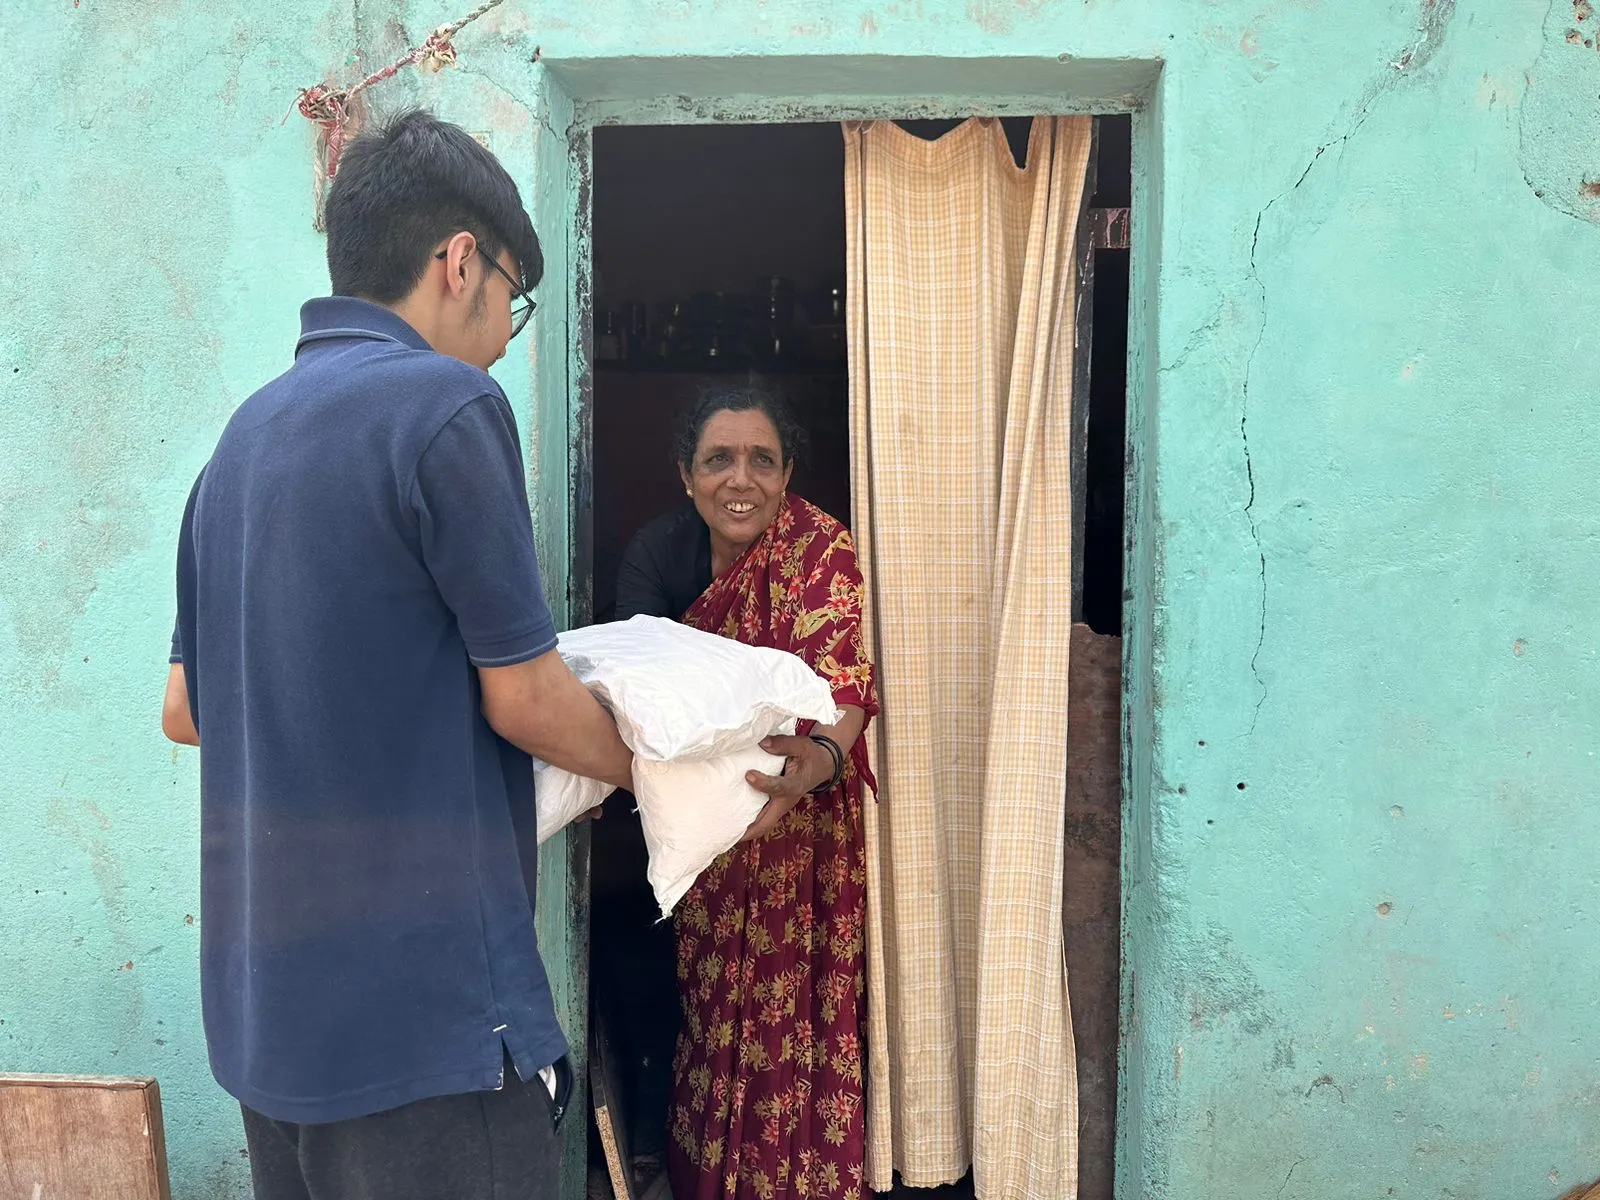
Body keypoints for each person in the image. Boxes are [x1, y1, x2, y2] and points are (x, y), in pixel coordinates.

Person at [161, 109, 631, 1200]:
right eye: (512, 295)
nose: (506, 334)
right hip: (426, 1031)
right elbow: (525, 698)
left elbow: (186, 709)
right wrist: (651, 765)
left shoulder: (239, 442)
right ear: (459, 261)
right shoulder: (445, 405)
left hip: (270, 1027)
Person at [615, 385, 878, 1200]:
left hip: (808, 829)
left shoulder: (821, 551)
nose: (741, 479)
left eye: (763, 460)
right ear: (686, 475)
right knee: (711, 1012)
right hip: (713, 831)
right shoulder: (658, 556)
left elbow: (848, 684)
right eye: (718, 460)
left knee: (802, 1018)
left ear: (788, 473)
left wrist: (821, 760)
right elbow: (637, 689)